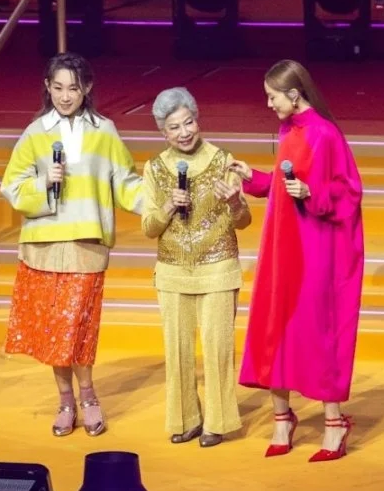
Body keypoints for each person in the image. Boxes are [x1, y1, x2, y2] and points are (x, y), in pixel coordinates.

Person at [0, 52, 143, 437]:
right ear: (47, 87)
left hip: (86, 244)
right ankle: (65, 400)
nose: (65, 96)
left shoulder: (105, 131)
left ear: (87, 89)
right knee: (55, 329)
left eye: (73, 88)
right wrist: (44, 182)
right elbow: (12, 186)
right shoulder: (35, 132)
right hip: (43, 245)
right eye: (58, 87)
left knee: (78, 326)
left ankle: (89, 396)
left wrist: (160, 203)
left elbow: (126, 183)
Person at [230, 59, 364, 462]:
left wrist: (311, 194)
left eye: (272, 96)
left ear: (294, 94)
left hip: (314, 245)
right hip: (283, 244)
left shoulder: (325, 134)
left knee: (315, 328)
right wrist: (252, 177)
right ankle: (282, 417)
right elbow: (285, 185)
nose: (269, 104)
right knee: (276, 324)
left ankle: (334, 423)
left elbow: (348, 192)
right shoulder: (288, 129)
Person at [140, 87, 250, 448]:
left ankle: (217, 422)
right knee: (177, 352)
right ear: (163, 132)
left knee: (218, 349)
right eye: (174, 127)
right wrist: (168, 206)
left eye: (188, 122)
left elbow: (243, 221)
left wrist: (235, 203)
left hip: (218, 268)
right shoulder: (155, 169)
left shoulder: (223, 161)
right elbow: (148, 228)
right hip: (172, 272)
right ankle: (186, 419)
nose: (184, 132)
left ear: (197, 120)